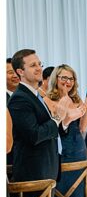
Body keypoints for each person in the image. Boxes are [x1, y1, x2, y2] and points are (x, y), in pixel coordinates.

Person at [9, 48, 65, 184]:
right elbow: (34, 135)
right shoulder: (19, 99)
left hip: (47, 168)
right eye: (33, 65)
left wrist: (64, 120)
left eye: (40, 64)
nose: (39, 68)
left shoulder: (37, 95)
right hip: (34, 172)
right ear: (20, 72)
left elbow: (51, 130)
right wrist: (57, 118)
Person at [47, 65, 87, 197]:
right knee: (66, 186)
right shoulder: (49, 100)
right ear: (55, 78)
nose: (68, 82)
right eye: (64, 77)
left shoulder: (76, 100)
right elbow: (58, 126)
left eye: (71, 78)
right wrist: (67, 114)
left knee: (81, 185)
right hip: (63, 149)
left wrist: (86, 104)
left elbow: (83, 127)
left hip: (79, 147)